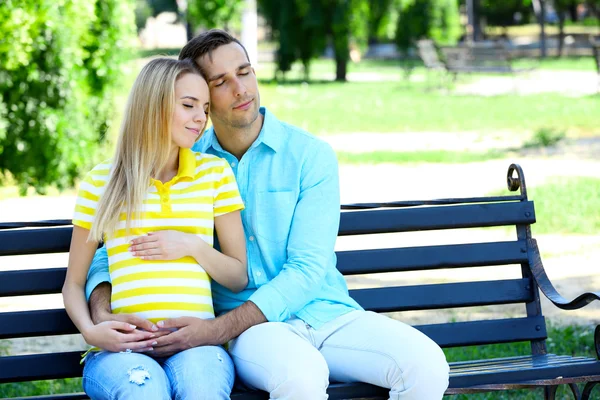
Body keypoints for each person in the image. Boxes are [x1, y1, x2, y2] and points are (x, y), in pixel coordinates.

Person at [85, 30, 450, 399]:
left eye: (245, 72)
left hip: (325, 312)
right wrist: (102, 311)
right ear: (198, 94)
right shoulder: (186, 162)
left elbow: (308, 268)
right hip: (252, 333)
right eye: (221, 82)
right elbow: (113, 249)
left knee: (426, 365)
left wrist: (214, 330)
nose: (241, 89)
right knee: (300, 377)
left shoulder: (309, 155)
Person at [64, 57, 247, 399]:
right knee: (145, 393)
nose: (200, 118)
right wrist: (92, 332)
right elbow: (73, 284)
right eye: (188, 105)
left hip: (197, 348)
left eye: (205, 108)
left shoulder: (215, 174)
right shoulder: (101, 182)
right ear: (153, 106)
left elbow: (238, 275)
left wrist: (191, 245)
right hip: (121, 352)